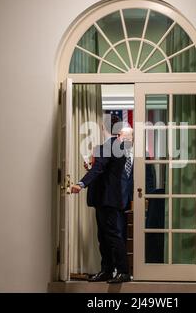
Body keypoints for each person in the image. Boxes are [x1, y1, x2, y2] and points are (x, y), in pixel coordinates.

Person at [70, 114, 130, 284]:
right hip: (109, 198)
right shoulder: (118, 146)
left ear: (104, 128)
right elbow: (104, 169)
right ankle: (108, 270)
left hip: (107, 199)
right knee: (105, 236)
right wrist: (91, 166)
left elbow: (99, 169)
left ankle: (122, 272)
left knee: (111, 235)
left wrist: (81, 183)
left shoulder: (106, 146)